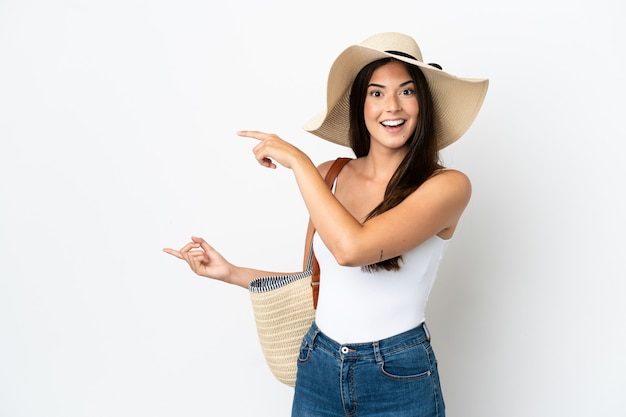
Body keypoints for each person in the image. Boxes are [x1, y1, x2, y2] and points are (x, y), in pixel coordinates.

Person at [163, 32, 488, 417]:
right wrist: (232, 273)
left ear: (423, 103)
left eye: (406, 91)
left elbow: (351, 250)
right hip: (318, 363)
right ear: (360, 104)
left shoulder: (447, 187)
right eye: (377, 92)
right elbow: (318, 281)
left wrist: (298, 162)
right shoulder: (330, 176)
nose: (392, 106)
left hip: (397, 375)